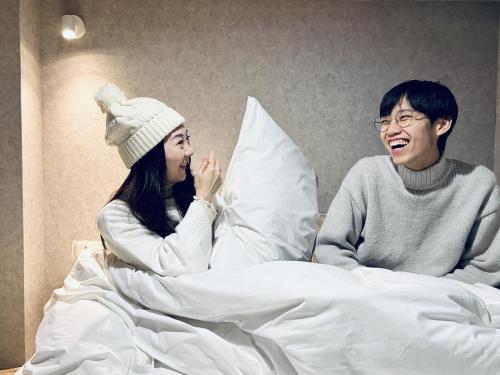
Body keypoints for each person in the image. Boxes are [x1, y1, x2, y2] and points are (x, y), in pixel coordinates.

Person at [314, 80, 500, 287]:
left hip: (438, 298)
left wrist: (424, 293)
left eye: (404, 118)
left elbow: (486, 267)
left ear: (441, 124)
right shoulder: (367, 173)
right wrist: (372, 287)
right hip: (366, 291)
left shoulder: (479, 183)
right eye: (385, 122)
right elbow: (330, 247)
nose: (390, 130)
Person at [95, 83, 222, 276]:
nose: (190, 150)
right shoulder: (115, 217)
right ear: (151, 155)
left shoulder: (192, 188)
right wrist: (203, 201)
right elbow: (182, 265)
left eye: (188, 139)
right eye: (180, 142)